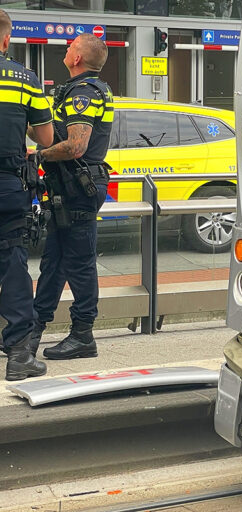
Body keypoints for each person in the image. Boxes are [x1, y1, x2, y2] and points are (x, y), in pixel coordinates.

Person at [29, 33, 113, 360]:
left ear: (77, 58)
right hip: (67, 188)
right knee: (54, 262)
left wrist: (36, 157)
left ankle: (83, 335)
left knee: (78, 264)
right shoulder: (75, 89)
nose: (66, 50)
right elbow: (55, 134)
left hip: (79, 188)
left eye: (70, 47)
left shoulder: (84, 92)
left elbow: (76, 146)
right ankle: (32, 330)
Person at [0, 9, 53, 380]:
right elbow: (46, 137)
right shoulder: (24, 78)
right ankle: (19, 354)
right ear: (5, 40)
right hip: (6, 184)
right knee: (13, 261)